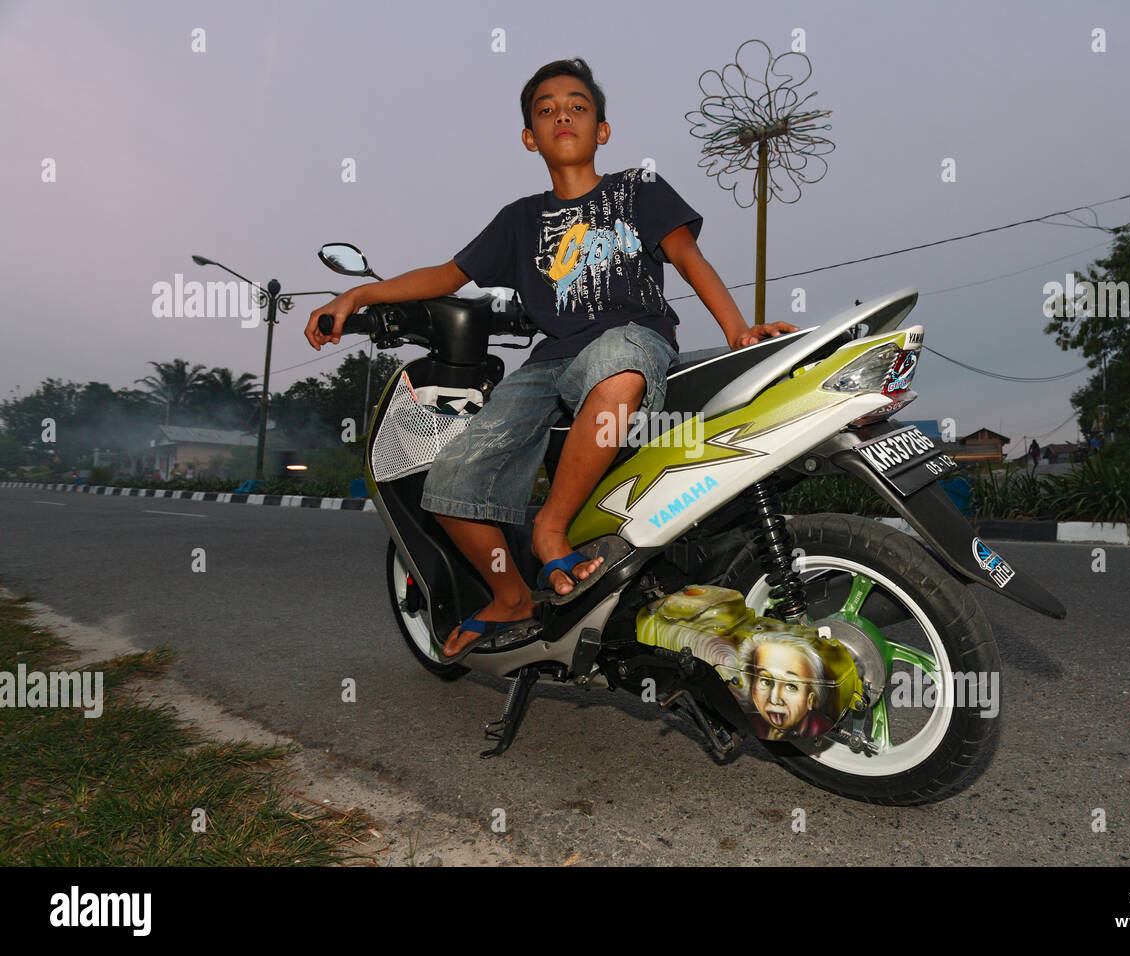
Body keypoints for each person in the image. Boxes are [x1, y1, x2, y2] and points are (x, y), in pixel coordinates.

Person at [305, 58, 797, 661]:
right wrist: (359, 292)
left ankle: (549, 528)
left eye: (577, 105)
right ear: (529, 137)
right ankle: (510, 595)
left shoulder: (637, 190)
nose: (562, 113)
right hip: (547, 365)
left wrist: (738, 329)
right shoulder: (518, 220)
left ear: (602, 130)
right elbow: (447, 274)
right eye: (545, 109)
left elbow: (690, 258)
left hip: (632, 338)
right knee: (450, 484)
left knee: (617, 369)